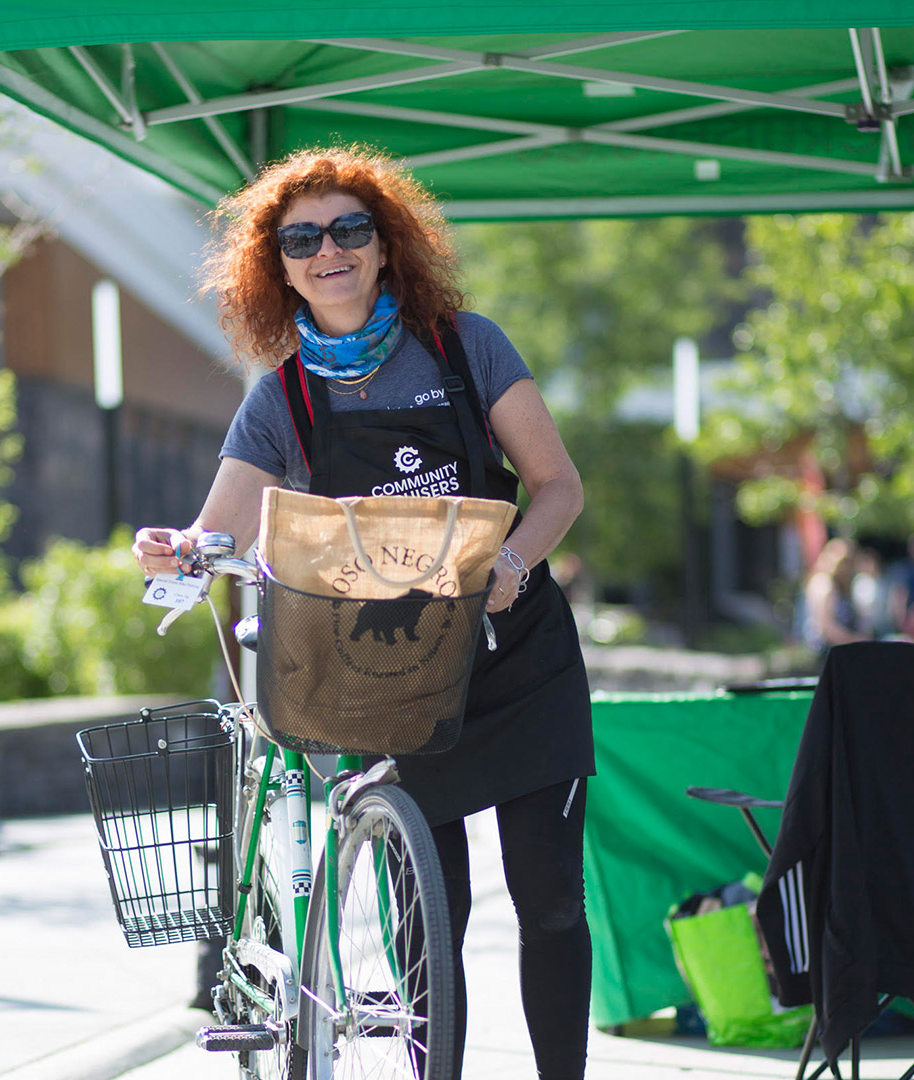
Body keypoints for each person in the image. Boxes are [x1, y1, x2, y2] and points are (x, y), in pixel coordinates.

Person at [132, 146, 595, 1080]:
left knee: (549, 902)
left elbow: (557, 487)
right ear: (281, 266)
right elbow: (215, 532)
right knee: (434, 917)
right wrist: (175, 552)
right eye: (302, 239)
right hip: (395, 678)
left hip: (519, 656)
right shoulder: (281, 398)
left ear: (387, 246)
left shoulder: (467, 345)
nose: (327, 251)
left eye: (349, 229)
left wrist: (509, 560)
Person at [802, 538, 868, 659]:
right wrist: (854, 641)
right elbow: (826, 628)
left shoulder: (843, 586)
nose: (847, 568)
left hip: (842, 650)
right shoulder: (824, 584)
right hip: (825, 654)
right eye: (844, 562)